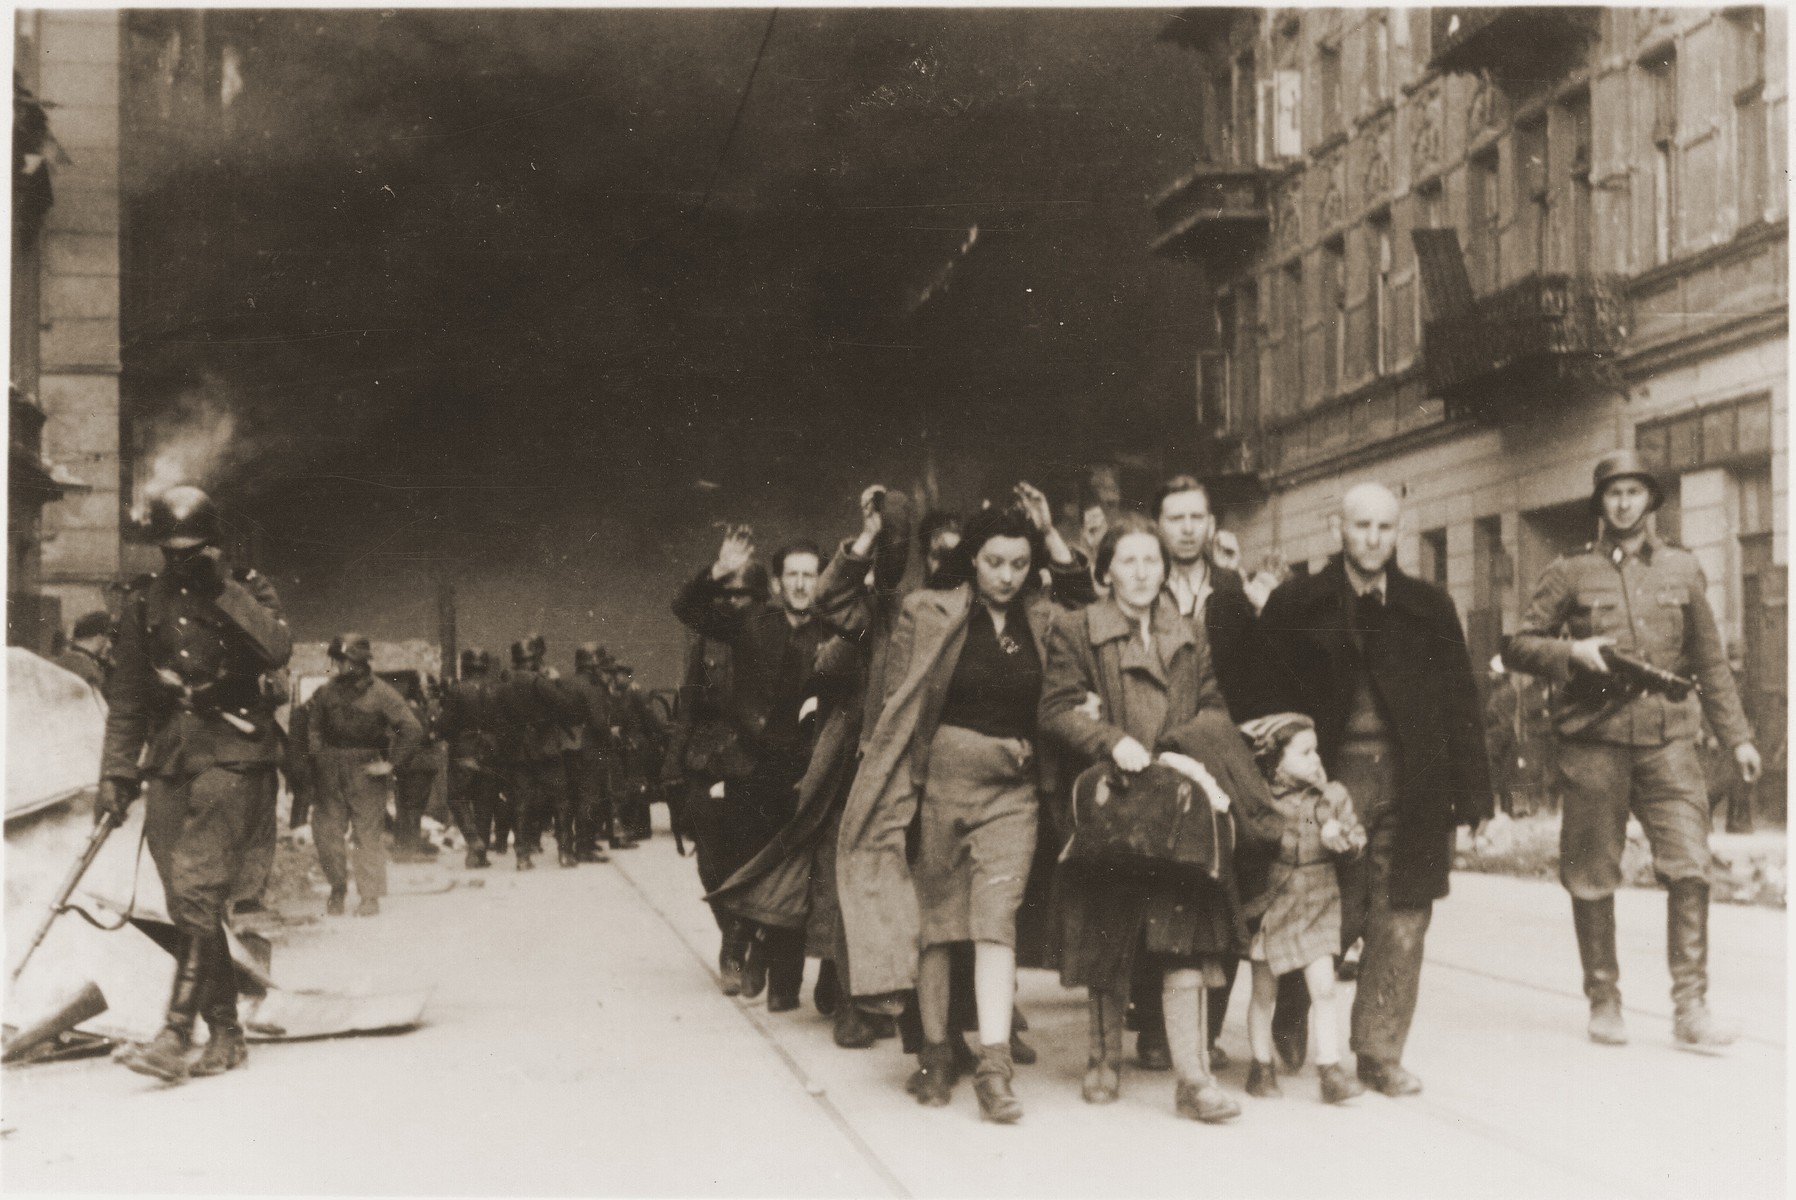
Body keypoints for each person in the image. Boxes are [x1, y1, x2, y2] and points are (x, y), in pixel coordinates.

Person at [838, 484, 1094, 1123]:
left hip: (1014, 794)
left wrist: (1053, 536)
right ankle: (932, 1053)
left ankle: (995, 1065)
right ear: (971, 559)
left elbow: (1090, 605)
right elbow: (892, 707)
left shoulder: (1046, 618)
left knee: (994, 921)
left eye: (1017, 563)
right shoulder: (927, 610)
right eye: (993, 562)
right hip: (939, 790)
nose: (1006, 576)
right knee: (937, 925)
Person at [1503, 450, 1759, 1052]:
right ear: (1601, 505)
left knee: (1690, 866)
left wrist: (1739, 736)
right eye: (1613, 494)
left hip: (1669, 743)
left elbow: (1709, 663)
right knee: (1592, 873)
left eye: (1634, 493)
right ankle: (1604, 998)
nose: (1623, 503)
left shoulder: (1682, 570)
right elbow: (1519, 645)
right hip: (1594, 741)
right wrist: (1573, 654)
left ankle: (1691, 1007)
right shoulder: (1569, 573)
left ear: (1650, 501)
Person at [1257, 482, 1492, 1096]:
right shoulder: (1295, 604)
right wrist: (1279, 780)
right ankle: (1292, 1005)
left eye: (1385, 528)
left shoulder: (1428, 606)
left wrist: (1475, 799)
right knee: (1322, 906)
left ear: (1398, 531)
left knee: (1404, 915)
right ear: (1338, 528)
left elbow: (1460, 702)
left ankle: (1379, 1052)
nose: (1372, 539)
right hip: (1325, 778)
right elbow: (1264, 700)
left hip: (1415, 779)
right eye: (1361, 526)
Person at [1038, 514, 1263, 1124]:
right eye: (1128, 562)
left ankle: (1193, 1079)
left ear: (1165, 570)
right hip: (1116, 800)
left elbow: (1216, 707)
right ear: (1104, 571)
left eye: (1152, 562)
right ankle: (1103, 1059)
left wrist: (1181, 747)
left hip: (1176, 800)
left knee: (1183, 936)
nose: (1141, 573)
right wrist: (1109, 739)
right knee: (1108, 932)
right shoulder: (1077, 628)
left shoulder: (1189, 632)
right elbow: (1057, 709)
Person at [97, 484, 293, 1083]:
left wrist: (224, 589)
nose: (180, 561)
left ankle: (175, 1033)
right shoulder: (141, 603)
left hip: (235, 753)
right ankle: (226, 1033)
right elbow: (128, 696)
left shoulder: (248, 590)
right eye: (172, 550)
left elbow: (277, 648)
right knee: (184, 900)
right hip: (173, 758)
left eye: (193, 550)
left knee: (197, 885)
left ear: (213, 545)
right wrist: (117, 771)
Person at [706, 485, 910, 1045]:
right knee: (804, 872)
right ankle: (802, 973)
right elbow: (832, 597)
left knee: (852, 877)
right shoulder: (828, 620)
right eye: (790, 575)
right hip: (804, 766)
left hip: (862, 764)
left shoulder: (881, 617)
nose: (801, 585)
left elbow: (883, 577)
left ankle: (845, 987)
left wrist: (882, 535)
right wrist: (865, 534)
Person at [1149, 474, 1287, 1070]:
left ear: (1210, 525)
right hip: (1156, 744)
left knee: (1225, 880)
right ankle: (1159, 1028)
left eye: (1196, 517)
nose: (1186, 528)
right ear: (1157, 525)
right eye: (1174, 517)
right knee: (1162, 884)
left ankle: (1203, 1030)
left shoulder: (1231, 593)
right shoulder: (1145, 587)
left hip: (1222, 750)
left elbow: (1256, 673)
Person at [673, 532, 832, 1011]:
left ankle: (785, 980)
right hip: (752, 767)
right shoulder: (751, 623)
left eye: (810, 575)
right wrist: (718, 572)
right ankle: (742, 946)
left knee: (797, 876)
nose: (802, 585)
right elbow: (687, 609)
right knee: (747, 869)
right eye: (793, 576)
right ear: (779, 584)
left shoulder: (836, 629)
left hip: (810, 771)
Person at [1235, 713, 1366, 1105]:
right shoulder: (1260, 798)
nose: (1315, 759)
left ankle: (1330, 1070)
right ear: (1275, 760)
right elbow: (1241, 834)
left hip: (1319, 899)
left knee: (1324, 989)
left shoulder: (1332, 796)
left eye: (1316, 750)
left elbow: (1358, 837)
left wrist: (1343, 838)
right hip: (1274, 904)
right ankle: (1260, 1066)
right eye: (1304, 752)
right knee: (1263, 993)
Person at [305, 633, 425, 915]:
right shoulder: (326, 692)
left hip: (366, 769)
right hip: (330, 769)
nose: (338, 666)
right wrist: (319, 755)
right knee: (326, 833)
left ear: (359, 663)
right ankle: (337, 888)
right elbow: (313, 727)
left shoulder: (382, 693)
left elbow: (411, 728)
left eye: (343, 660)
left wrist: (391, 764)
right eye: (337, 660)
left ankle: (369, 897)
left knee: (367, 835)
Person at [494, 634, 584, 869]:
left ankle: (522, 856)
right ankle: (565, 852)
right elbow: (569, 708)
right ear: (534, 659)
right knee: (561, 801)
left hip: (518, 753)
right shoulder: (539, 682)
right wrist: (556, 683)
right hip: (546, 750)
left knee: (521, 804)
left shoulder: (503, 687)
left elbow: (498, 723)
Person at [439, 647, 506, 868]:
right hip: (491, 751)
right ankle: (479, 855)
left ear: (465, 666)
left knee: (456, 798)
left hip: (463, 751)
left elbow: (445, 724)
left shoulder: (457, 690)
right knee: (484, 803)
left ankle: (473, 840)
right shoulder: (497, 690)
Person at [564, 643, 620, 861]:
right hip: (590, 748)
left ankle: (569, 844)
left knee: (571, 797)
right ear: (594, 664)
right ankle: (584, 847)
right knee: (589, 797)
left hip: (568, 746)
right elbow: (598, 722)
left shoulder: (566, 683)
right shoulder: (592, 687)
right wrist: (611, 734)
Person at [389, 671, 442, 862]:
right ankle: (411, 848)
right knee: (413, 806)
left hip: (409, 764)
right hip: (418, 763)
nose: (429, 692)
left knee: (406, 805)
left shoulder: (406, 708)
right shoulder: (416, 711)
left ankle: (405, 846)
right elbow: (424, 735)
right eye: (427, 688)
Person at [53, 609, 112, 690]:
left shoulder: (56, 663)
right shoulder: (91, 673)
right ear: (99, 637)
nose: (109, 645)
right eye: (107, 638)